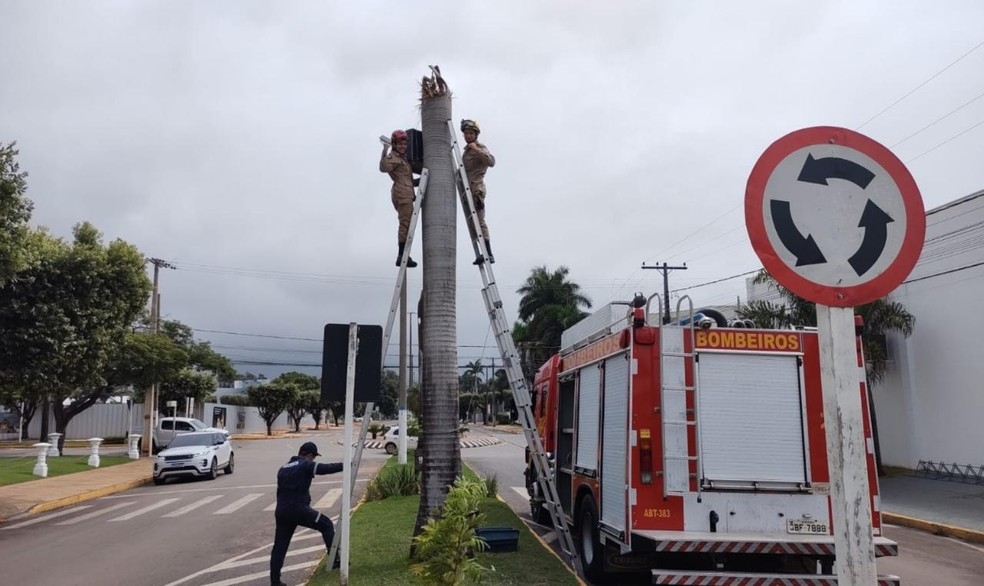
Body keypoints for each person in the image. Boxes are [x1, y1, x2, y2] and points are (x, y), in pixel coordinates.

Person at [269, 441, 343, 586]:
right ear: (309, 455)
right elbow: (325, 468)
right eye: (314, 457)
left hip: (282, 511)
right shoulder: (305, 464)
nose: (314, 460)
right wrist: (346, 465)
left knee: (280, 546)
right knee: (326, 524)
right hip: (299, 509)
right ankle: (335, 561)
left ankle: (275, 581)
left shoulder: (283, 468)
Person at [379, 129, 421, 268]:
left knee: (407, 224)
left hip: (406, 191)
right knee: (405, 224)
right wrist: (385, 150)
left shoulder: (403, 159)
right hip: (402, 194)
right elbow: (384, 167)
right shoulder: (394, 157)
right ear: (394, 144)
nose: (403, 146)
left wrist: (420, 181)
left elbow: (406, 180)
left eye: (404, 143)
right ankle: (402, 255)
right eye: (399, 144)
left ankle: (403, 255)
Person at [460, 119, 496, 264]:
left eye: (471, 133)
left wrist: (476, 149)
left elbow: (491, 162)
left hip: (476, 189)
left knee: (479, 221)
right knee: (473, 223)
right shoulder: (466, 150)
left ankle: (488, 253)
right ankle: (481, 253)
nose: (468, 136)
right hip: (467, 188)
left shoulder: (478, 147)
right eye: (466, 133)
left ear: (476, 134)